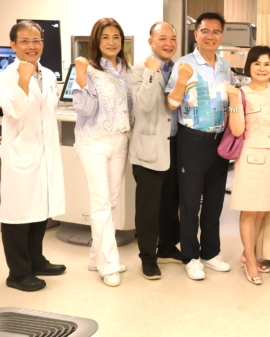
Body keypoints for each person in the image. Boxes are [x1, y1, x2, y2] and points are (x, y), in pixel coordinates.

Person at [0, 20, 66, 292]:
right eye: (25, 41)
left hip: (44, 151)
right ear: (13, 45)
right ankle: (18, 273)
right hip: (19, 153)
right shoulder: (6, 76)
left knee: (40, 210)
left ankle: (36, 260)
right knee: (17, 215)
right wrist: (23, 80)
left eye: (36, 40)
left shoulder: (48, 74)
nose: (32, 46)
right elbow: (14, 110)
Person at [166, 12, 232, 280]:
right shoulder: (184, 64)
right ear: (196, 34)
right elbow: (171, 103)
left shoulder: (225, 66)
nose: (211, 36)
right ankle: (191, 256)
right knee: (190, 202)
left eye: (216, 32)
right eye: (205, 31)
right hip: (192, 139)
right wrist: (182, 80)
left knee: (215, 201)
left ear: (221, 35)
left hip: (220, 140)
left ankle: (210, 252)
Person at [72, 17, 133, 287]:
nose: (111, 42)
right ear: (96, 41)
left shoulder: (125, 70)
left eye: (116, 37)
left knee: (112, 202)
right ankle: (108, 265)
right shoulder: (89, 69)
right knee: (100, 203)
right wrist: (81, 75)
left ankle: (96, 256)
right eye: (105, 37)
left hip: (120, 141)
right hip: (94, 141)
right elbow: (84, 109)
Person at [226, 45, 270, 285]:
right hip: (250, 159)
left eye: (266, 64)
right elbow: (237, 131)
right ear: (249, 67)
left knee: (263, 210)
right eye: (257, 64)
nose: (262, 68)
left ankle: (248, 254)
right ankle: (251, 261)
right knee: (249, 211)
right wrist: (234, 101)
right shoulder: (241, 94)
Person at [129, 22, 182, 280]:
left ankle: (168, 247)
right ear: (151, 42)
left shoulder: (178, 68)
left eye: (172, 38)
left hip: (174, 145)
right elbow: (145, 105)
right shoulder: (140, 69)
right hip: (149, 147)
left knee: (170, 203)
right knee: (149, 208)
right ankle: (148, 258)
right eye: (162, 38)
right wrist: (152, 72)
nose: (169, 43)